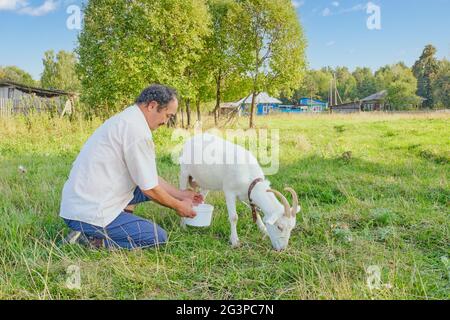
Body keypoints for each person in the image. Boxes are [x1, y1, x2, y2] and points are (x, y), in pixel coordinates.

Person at [60, 84, 203, 249]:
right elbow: (150, 188)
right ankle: (90, 240)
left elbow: (149, 178)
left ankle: (113, 222)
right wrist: (179, 206)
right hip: (89, 212)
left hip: (82, 202)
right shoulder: (137, 131)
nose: (166, 121)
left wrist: (180, 194)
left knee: (145, 189)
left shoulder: (128, 118)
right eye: (167, 115)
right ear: (152, 106)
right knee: (157, 237)